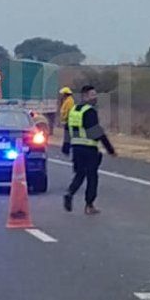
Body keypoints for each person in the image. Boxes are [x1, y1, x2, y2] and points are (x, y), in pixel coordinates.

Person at [63, 84, 116, 215]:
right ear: (85, 96)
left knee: (80, 174)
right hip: (89, 149)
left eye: (95, 94)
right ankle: (89, 205)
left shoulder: (74, 110)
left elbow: (67, 130)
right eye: (92, 95)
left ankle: (70, 193)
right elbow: (96, 132)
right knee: (92, 177)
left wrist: (66, 146)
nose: (95, 97)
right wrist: (110, 149)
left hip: (76, 149)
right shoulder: (90, 112)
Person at [58, 86, 75, 153]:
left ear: (65, 94)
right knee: (67, 135)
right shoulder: (67, 100)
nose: (62, 95)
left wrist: (65, 119)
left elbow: (68, 111)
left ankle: (66, 149)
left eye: (63, 94)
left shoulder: (69, 101)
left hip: (68, 121)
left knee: (67, 135)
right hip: (67, 121)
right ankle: (66, 148)